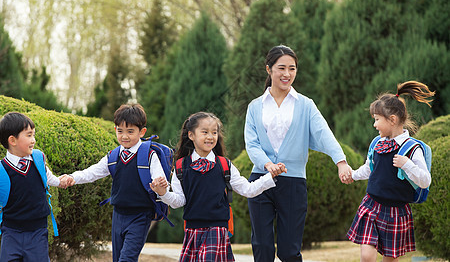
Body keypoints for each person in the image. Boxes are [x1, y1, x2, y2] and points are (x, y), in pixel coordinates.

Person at [244, 45, 353, 262]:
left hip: (293, 182)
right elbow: (252, 144)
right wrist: (267, 165)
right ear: (269, 69)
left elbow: (324, 134)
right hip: (260, 181)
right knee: (262, 247)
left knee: (289, 251)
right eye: (281, 68)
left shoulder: (306, 105)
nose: (287, 74)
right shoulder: (255, 106)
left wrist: (341, 161)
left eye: (292, 69)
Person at [150, 111, 286, 262]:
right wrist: (163, 193)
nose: (210, 136)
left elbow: (248, 190)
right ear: (191, 135)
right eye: (205, 132)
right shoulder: (181, 166)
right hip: (192, 232)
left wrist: (271, 176)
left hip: (217, 230)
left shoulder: (224, 165)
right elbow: (179, 201)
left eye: (214, 132)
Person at [62, 103, 167, 262]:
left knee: (127, 259)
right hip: (118, 215)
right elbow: (93, 172)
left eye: (130, 131)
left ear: (142, 132)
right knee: (118, 259)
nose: (124, 136)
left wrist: (160, 185)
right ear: (115, 129)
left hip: (140, 216)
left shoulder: (149, 155)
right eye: (120, 131)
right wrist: (73, 177)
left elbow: (159, 178)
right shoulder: (113, 156)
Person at [347, 81, 433, 262]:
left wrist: (407, 164)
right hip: (372, 205)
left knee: (390, 259)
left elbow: (425, 181)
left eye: (377, 119)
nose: (374, 125)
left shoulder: (412, 149)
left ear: (392, 119)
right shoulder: (377, 143)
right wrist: (353, 175)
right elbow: (370, 169)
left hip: (396, 212)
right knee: (367, 256)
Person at [0, 112, 70, 261]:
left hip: (37, 231)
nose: (34, 140)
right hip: (11, 232)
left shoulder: (38, 158)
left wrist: (59, 181)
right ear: (12, 140)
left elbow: (46, 177)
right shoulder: (1, 169)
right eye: (29, 135)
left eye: (33, 135)